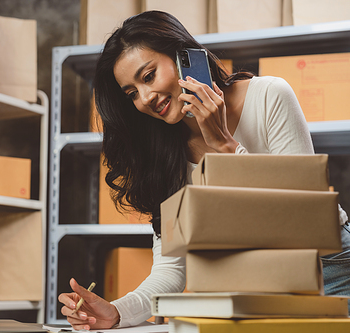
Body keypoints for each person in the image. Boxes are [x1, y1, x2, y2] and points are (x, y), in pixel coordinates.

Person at [58, 10, 350, 330]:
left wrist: (223, 145)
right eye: (131, 94)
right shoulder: (164, 156)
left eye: (148, 75)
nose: (145, 98)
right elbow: (171, 270)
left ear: (184, 56)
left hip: (330, 268)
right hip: (253, 284)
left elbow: (308, 217)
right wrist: (116, 311)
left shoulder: (268, 95)